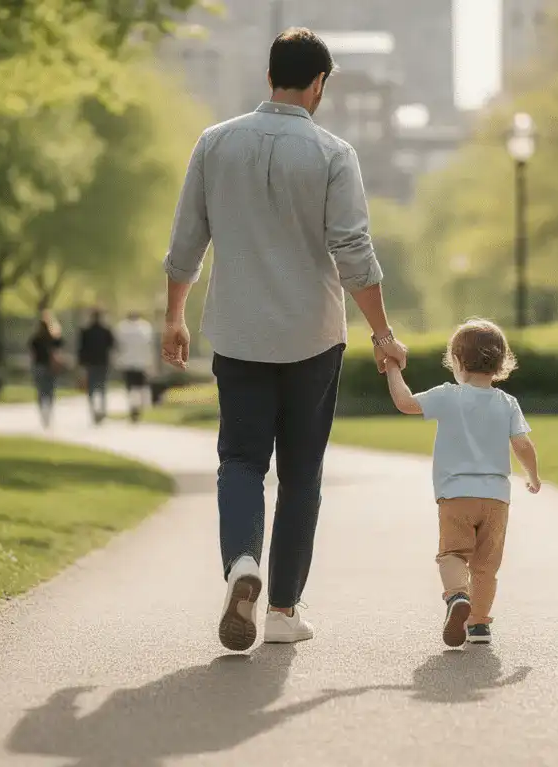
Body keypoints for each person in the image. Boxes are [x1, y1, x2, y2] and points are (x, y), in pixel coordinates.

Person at [160, 27, 409, 652]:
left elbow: (186, 241)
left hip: (238, 333)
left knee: (240, 459)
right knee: (301, 474)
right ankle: (282, 611)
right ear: (319, 83)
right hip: (312, 337)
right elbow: (353, 252)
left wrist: (174, 316)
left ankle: (242, 563)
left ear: (270, 75)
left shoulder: (215, 143)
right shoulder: (334, 154)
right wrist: (383, 333)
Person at [383, 319, 541, 648]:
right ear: (501, 363)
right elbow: (523, 445)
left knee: (453, 554)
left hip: (455, 496)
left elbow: (405, 403)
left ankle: (457, 597)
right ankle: (480, 625)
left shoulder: (448, 396)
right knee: (486, 565)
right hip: (497, 498)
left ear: (456, 359)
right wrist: (533, 476)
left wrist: (392, 368)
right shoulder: (507, 403)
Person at [114, 311, 157, 423]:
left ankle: (133, 406)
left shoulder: (122, 328)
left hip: (127, 362)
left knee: (130, 387)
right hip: (142, 362)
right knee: (140, 387)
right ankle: (138, 406)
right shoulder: (146, 327)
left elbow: (118, 346)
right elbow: (149, 346)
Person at [77, 308, 116, 425]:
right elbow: (112, 346)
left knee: (91, 388)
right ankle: (102, 410)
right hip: (103, 362)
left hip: (90, 363)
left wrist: (81, 364)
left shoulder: (85, 331)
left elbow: (81, 349)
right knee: (102, 387)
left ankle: (94, 410)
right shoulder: (106, 331)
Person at [28, 310, 64, 429]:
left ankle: (43, 412)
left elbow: (32, 353)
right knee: (50, 390)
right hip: (50, 367)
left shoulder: (35, 339)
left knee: (41, 391)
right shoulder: (52, 338)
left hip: (39, 366)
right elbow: (60, 345)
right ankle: (48, 412)